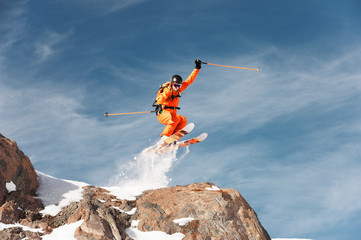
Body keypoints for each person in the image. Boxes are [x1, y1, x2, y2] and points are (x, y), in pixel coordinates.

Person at [154, 59, 202, 140]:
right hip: (163, 113)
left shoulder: (179, 89)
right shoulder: (168, 90)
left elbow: (190, 80)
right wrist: (158, 105)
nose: (177, 87)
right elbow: (161, 97)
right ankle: (164, 137)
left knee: (182, 120)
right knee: (174, 119)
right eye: (175, 85)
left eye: (179, 86)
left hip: (172, 113)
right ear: (172, 84)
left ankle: (173, 139)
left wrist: (197, 68)